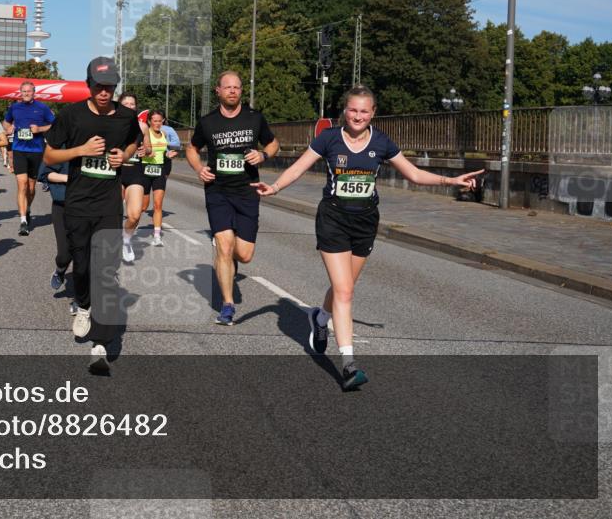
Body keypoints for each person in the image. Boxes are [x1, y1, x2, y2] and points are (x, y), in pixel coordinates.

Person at [252, 85, 483, 390]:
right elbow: (297, 168)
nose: (358, 116)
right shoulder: (329, 138)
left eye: (364, 111)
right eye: (352, 110)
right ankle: (349, 366)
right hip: (333, 219)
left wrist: (450, 180)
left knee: (343, 287)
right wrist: (276, 187)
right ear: (344, 111)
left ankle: (320, 319)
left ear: (373, 113)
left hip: (365, 223)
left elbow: (413, 175)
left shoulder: (382, 142)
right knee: (345, 291)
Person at [44, 57, 139, 373]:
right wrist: (79, 151)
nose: (104, 92)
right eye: (99, 86)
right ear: (88, 85)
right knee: (82, 267)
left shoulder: (125, 117)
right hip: (78, 204)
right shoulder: (71, 115)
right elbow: (49, 154)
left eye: (110, 86)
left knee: (105, 272)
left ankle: (101, 343)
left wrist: (121, 156)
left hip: (108, 206)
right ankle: (82, 305)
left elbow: (133, 144)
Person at [186, 70, 280, 326]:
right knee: (225, 247)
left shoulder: (254, 118)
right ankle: (227, 305)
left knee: (245, 254)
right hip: (218, 191)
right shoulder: (208, 122)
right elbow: (192, 148)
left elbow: (273, 144)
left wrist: (263, 156)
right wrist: (198, 168)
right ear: (218, 91)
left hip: (247, 192)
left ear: (241, 91)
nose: (232, 91)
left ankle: (225, 255)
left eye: (237, 87)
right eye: (227, 87)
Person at [4, 82, 55, 236]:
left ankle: (28, 208)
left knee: (31, 188)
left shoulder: (42, 108)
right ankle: (23, 220)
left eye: (29, 91)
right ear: (20, 93)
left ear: (34, 92)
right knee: (22, 184)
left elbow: (54, 124)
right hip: (19, 150)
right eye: (23, 91)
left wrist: (39, 129)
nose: (26, 93)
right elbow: (6, 122)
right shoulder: (14, 107)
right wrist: (8, 128)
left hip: (36, 150)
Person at [117, 93, 150, 263]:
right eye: (126, 104)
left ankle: (126, 239)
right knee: (113, 213)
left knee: (135, 215)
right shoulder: (110, 122)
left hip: (135, 172)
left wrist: (146, 150)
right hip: (114, 172)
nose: (129, 106)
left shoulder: (143, 126)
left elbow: (149, 148)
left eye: (132, 104)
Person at [140, 110, 181, 247]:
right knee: (143, 207)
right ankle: (130, 227)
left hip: (159, 170)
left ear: (163, 121)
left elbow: (165, 151)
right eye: (155, 121)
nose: (157, 123)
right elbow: (138, 149)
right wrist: (143, 152)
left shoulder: (164, 134)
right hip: (145, 170)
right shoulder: (145, 133)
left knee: (158, 205)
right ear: (150, 121)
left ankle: (157, 236)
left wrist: (168, 154)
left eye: (160, 121)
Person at [38, 160, 75, 312]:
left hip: (88, 205)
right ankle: (60, 270)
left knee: (84, 253)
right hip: (62, 205)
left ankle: (80, 299)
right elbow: (45, 174)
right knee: (64, 254)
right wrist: (72, 178)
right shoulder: (60, 143)